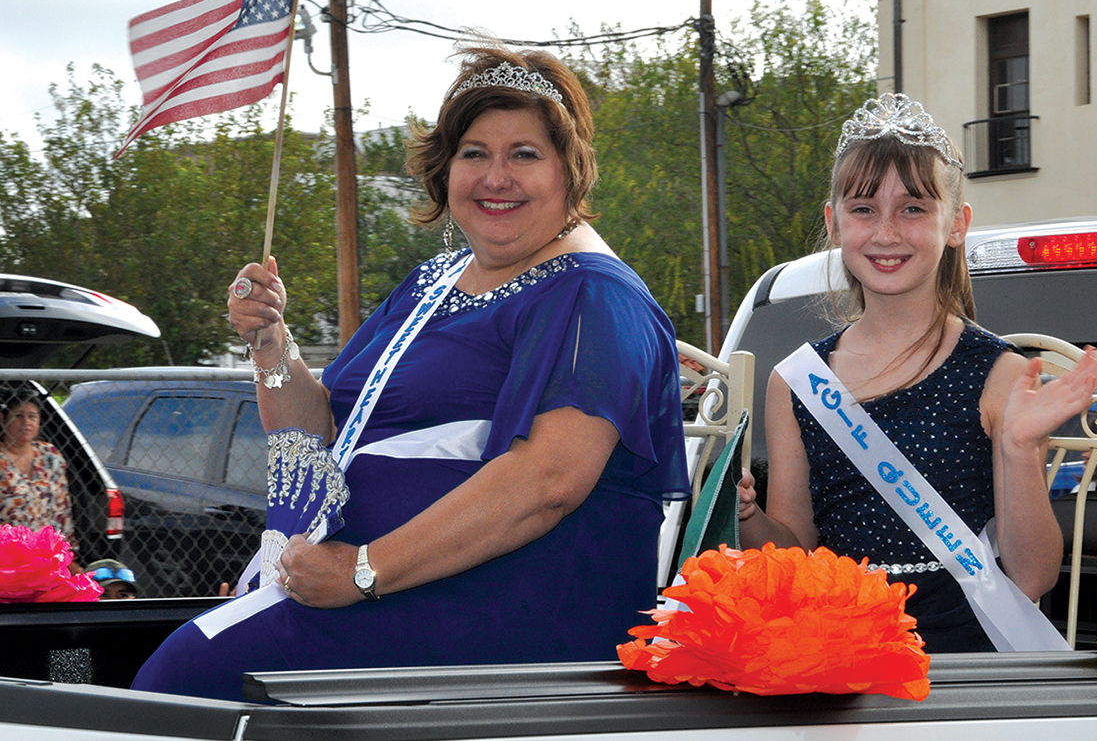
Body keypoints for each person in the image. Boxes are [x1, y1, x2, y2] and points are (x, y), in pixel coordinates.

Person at [132, 46, 689, 700]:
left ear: (570, 173)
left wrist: (362, 571)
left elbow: (550, 480)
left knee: (188, 674)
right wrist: (270, 345)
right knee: (140, 660)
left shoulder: (592, 293)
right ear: (444, 169)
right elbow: (322, 425)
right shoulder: (430, 280)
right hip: (398, 587)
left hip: (509, 605)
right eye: (474, 152)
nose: (496, 176)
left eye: (525, 154)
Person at [736, 92, 1097, 652]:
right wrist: (746, 516)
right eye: (863, 209)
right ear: (834, 224)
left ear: (956, 224)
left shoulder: (1001, 377)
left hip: (965, 668)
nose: (886, 232)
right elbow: (793, 555)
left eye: (913, 208)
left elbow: (1031, 579)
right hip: (841, 660)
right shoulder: (796, 381)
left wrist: (1016, 445)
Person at [1, 390, 78, 556]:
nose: (26, 422)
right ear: (3, 419)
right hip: (8, 555)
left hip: (47, 552)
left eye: (32, 417)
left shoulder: (50, 455)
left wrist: (67, 552)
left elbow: (63, 508)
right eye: (18, 416)